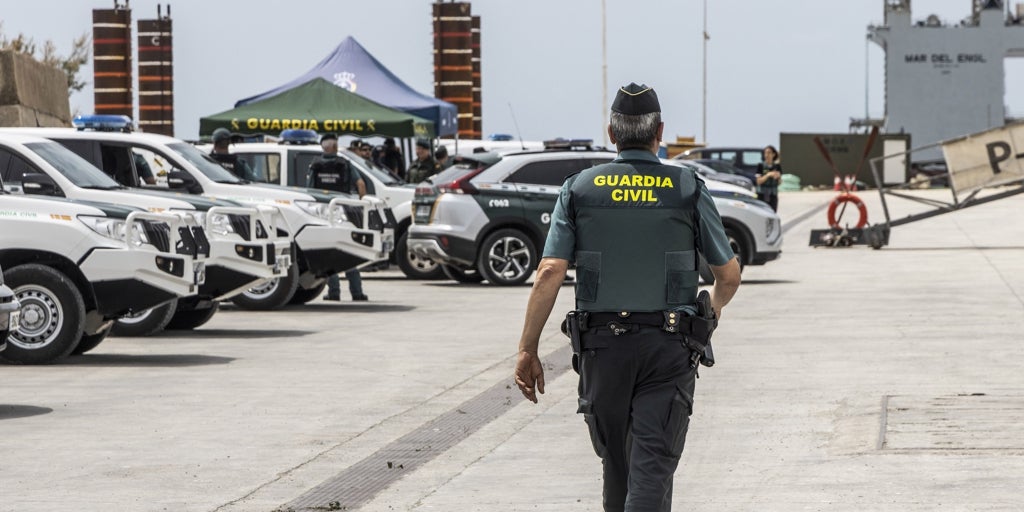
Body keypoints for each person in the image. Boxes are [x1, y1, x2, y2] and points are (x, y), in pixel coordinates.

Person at [513, 83, 741, 512]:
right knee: (652, 467)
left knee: (617, 467)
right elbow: (727, 275)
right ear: (660, 132)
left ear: (611, 134)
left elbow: (549, 271)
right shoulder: (687, 187)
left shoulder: (579, 189)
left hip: (602, 351)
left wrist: (528, 348)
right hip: (667, 348)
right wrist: (714, 308)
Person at [307, 133, 369, 302]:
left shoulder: (315, 165)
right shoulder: (346, 164)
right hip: (344, 212)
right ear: (335, 146)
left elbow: (309, 191)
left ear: (323, 147)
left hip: (323, 213)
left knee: (328, 253)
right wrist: (361, 205)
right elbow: (361, 184)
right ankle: (357, 292)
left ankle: (334, 292)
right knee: (349, 251)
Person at [755, 145, 782, 212]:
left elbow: (779, 182)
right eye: (765, 153)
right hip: (762, 194)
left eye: (769, 153)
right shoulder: (760, 166)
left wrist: (778, 177)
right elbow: (758, 181)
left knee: (773, 212)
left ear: (773, 154)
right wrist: (768, 175)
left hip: (773, 194)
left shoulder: (777, 166)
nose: (767, 155)